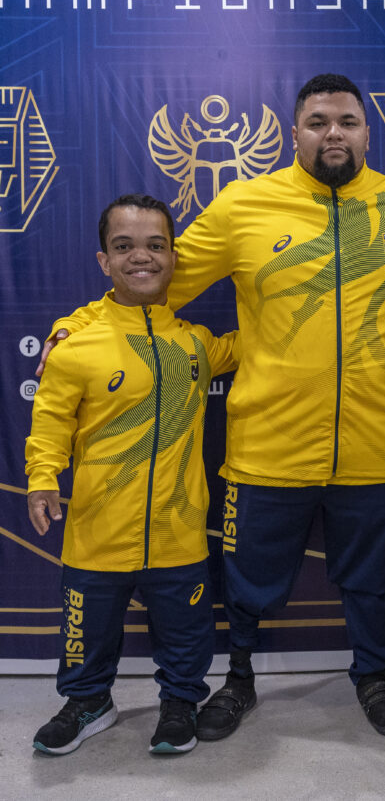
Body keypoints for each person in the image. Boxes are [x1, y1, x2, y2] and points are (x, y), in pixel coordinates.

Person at [38, 75, 385, 739]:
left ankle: (374, 675)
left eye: (347, 122)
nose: (333, 133)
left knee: (375, 579)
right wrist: (75, 326)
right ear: (293, 133)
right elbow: (153, 282)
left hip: (379, 442)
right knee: (247, 578)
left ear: (368, 134)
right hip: (267, 446)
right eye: (318, 121)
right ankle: (239, 677)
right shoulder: (244, 206)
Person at [26, 194, 239, 756]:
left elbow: (261, 342)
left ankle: (180, 703)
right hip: (96, 532)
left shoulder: (196, 343)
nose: (140, 257)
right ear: (104, 260)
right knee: (86, 633)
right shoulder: (75, 345)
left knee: (186, 633)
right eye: (123, 246)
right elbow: (50, 422)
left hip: (178, 531)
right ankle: (87, 702)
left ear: (173, 258)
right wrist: (42, 478)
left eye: (155, 245)